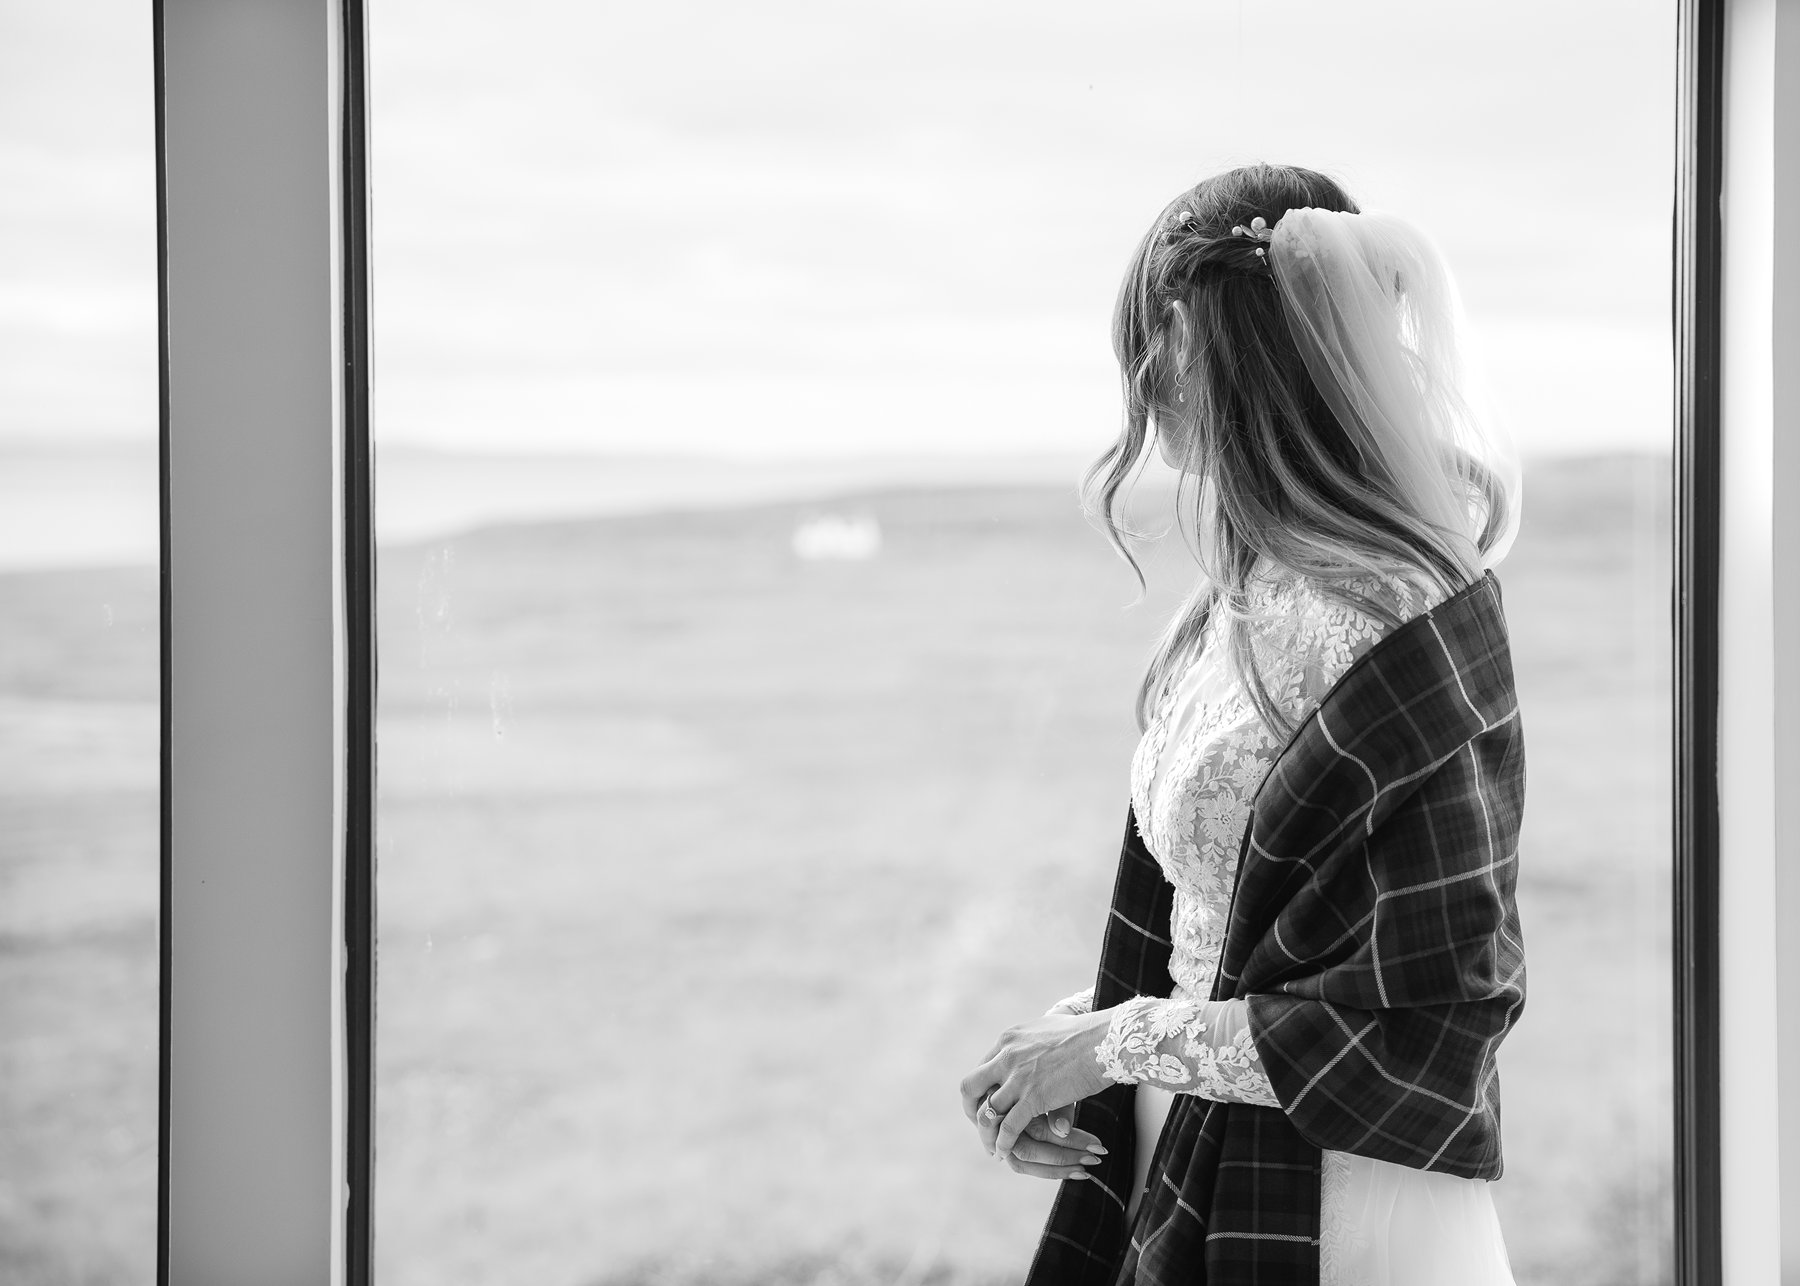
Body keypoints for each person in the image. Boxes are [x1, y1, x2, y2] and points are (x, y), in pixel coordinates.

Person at [957, 163, 1526, 1285]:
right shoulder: (1236, 596)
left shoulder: (1398, 613)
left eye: (1146, 352)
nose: (1138, 391)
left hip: (1349, 1198)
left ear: (1195, 348)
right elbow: (1216, 942)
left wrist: (1109, 1041)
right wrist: (1061, 1050)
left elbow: (1426, 1021)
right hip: (1196, 1137)